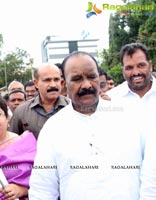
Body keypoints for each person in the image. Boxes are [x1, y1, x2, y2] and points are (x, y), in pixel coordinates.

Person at [29, 51, 144, 199]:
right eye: (77, 79)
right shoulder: (53, 129)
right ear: (64, 84)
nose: (86, 85)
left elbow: (150, 175)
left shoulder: (129, 117)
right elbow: (42, 189)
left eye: (92, 77)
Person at [9, 63, 70, 139]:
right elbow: (11, 142)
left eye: (56, 79)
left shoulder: (73, 107)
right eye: (47, 80)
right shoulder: (22, 112)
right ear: (36, 83)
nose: (53, 85)